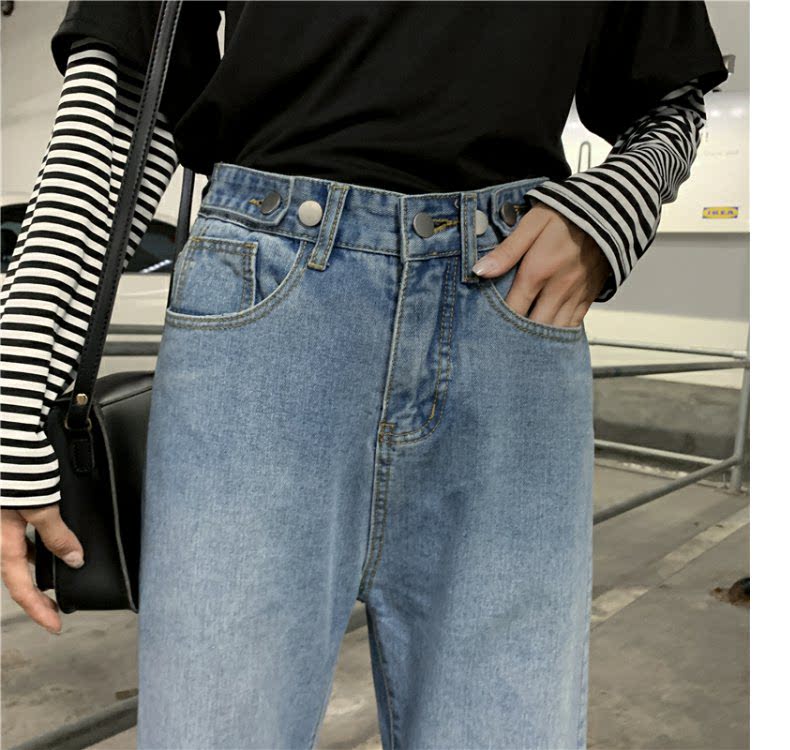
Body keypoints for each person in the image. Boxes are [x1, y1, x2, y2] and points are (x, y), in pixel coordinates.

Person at [0, 2, 727, 748]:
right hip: (267, 306)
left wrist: (612, 209)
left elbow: (668, 99)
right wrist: (17, 395)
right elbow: (125, 92)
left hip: (507, 302)